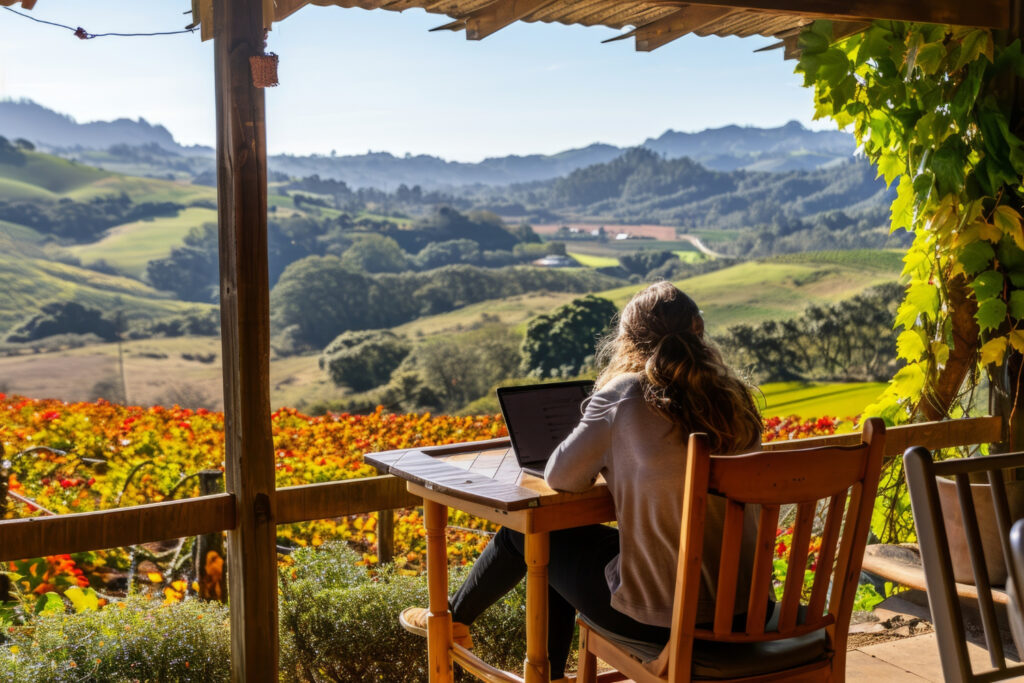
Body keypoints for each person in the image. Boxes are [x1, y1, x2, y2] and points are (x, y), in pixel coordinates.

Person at [399, 281, 764, 682]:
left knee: (528, 536)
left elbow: (561, 477)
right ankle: (537, 666)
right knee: (560, 540)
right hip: (748, 611)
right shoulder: (734, 399)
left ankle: (455, 618)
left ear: (629, 341)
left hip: (667, 621)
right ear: (699, 329)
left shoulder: (625, 394)